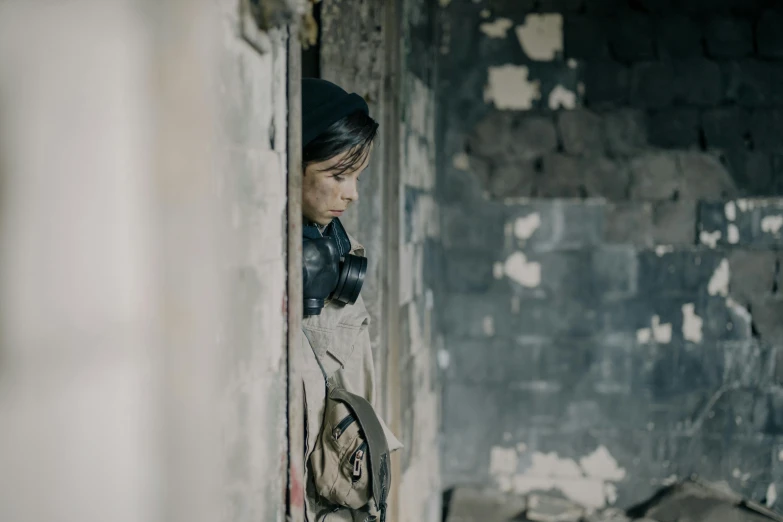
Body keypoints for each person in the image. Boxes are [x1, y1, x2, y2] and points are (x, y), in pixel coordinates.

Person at [299, 78, 402, 522]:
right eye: (338, 175)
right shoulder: (276, 265)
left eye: (355, 177)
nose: (352, 193)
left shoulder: (342, 250)